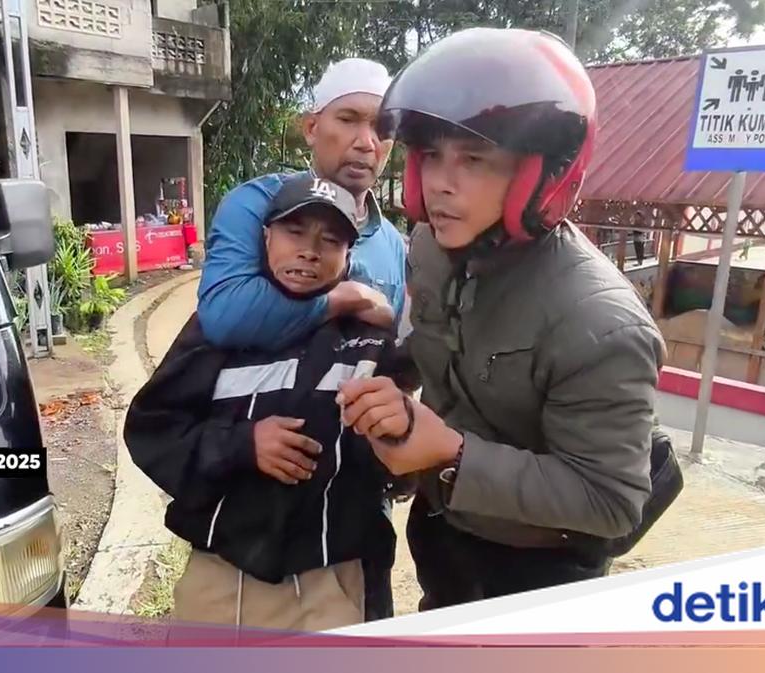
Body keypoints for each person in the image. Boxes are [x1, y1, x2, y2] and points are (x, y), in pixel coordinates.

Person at [338, 28, 667, 611]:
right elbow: (445, 343)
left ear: (539, 176)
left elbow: (612, 499)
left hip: (539, 572)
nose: (441, 182)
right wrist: (380, 371)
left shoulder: (600, 324)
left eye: (475, 159)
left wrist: (453, 454)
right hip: (445, 538)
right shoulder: (432, 248)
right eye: (430, 155)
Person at [125, 175, 405, 632]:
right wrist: (242, 444)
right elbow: (152, 430)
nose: (309, 250)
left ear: (349, 256)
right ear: (265, 237)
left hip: (332, 582)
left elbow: (397, 463)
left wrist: (399, 434)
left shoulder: (369, 343)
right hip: (222, 583)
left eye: (330, 240)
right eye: (295, 231)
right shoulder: (221, 333)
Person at [194, 57, 409, 620]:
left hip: (356, 513)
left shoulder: (393, 243)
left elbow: (400, 359)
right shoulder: (256, 203)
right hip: (259, 512)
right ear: (312, 127)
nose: (367, 142)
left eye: (382, 128)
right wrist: (343, 299)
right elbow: (224, 314)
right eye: (349, 119)